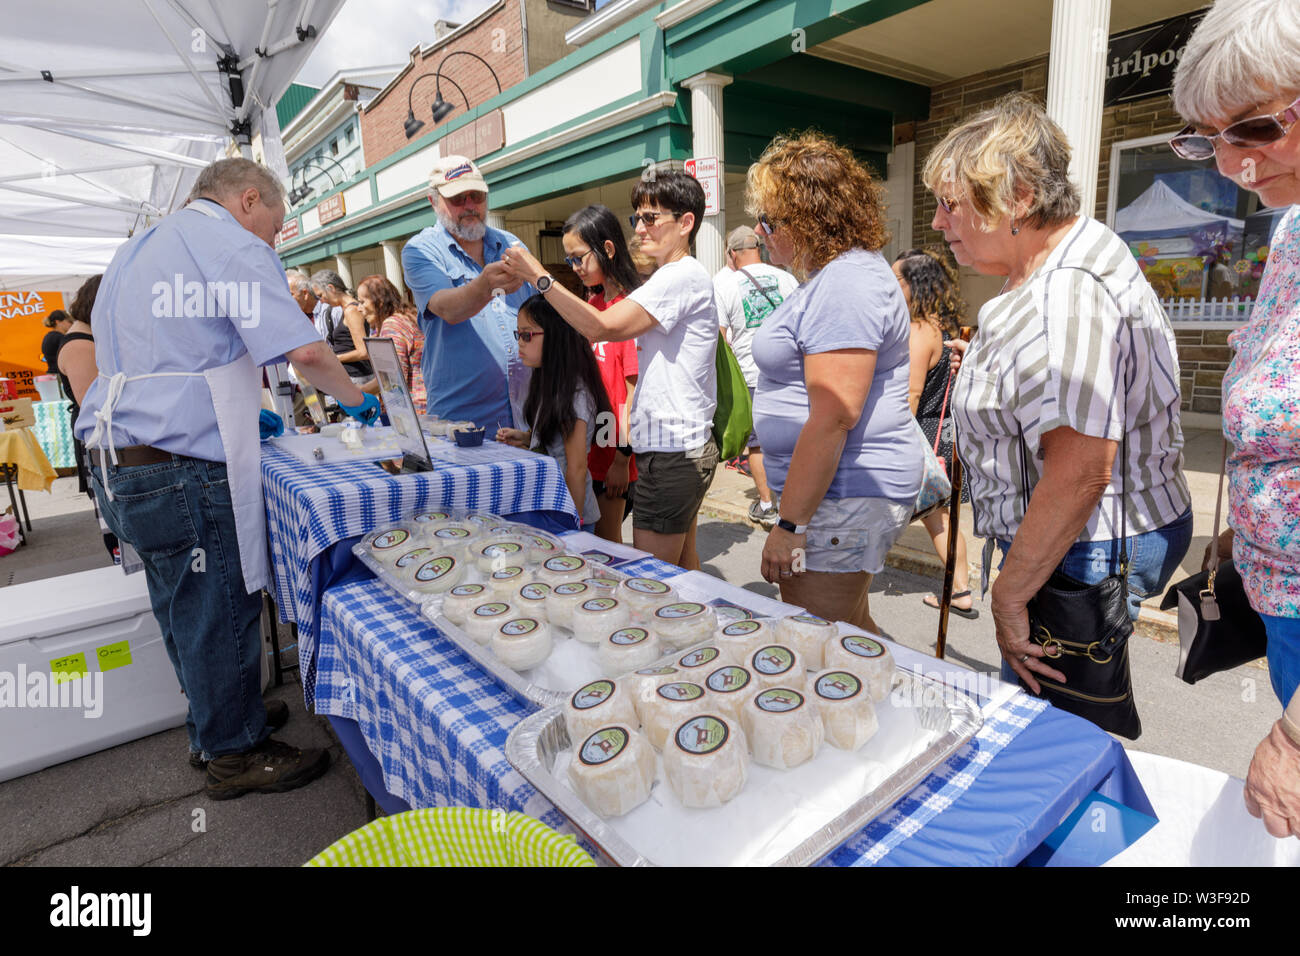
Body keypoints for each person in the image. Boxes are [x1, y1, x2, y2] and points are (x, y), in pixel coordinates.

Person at [75, 158, 382, 800]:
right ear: (248, 201)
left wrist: (244, 411)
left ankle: (216, 721)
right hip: (180, 467)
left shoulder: (138, 250)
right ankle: (234, 753)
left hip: (123, 459)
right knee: (216, 607)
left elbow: (166, 356)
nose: (273, 241)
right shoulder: (227, 241)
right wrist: (354, 399)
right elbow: (304, 350)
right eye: (273, 226)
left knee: (180, 606)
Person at [922, 93, 1192, 696]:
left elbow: (1079, 472)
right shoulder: (1065, 258)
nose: (938, 223)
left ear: (1018, 198)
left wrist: (1010, 592)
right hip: (1087, 533)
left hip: (1081, 543)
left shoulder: (1064, 290)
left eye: (949, 205)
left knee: (1046, 724)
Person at [1172, 0, 1300, 837]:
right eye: (1207, 137)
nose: (1229, 164)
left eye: (1252, 130)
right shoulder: (1292, 228)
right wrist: (1248, 526)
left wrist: (1293, 736)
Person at [745, 132, 921, 631]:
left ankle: (905, 707)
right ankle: (913, 704)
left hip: (842, 495)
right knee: (850, 629)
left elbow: (834, 413)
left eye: (769, 220)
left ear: (806, 218)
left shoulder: (847, 281)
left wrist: (790, 525)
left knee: (818, 639)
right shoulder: (834, 277)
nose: (762, 233)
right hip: (834, 496)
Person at [501, 169, 719, 568]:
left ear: (686, 223)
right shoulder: (668, 278)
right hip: (665, 449)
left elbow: (601, 329)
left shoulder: (678, 277)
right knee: (683, 573)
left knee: (653, 582)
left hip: (669, 451)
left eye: (651, 218)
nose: (639, 228)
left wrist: (539, 275)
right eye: (637, 218)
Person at [401, 155, 534, 430]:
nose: (470, 206)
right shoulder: (420, 250)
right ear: (433, 201)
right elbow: (447, 308)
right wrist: (486, 286)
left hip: (528, 416)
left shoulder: (512, 243)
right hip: (464, 424)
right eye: (458, 198)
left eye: (477, 196)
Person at [893, 247, 976, 619]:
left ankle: (958, 589)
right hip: (947, 432)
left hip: (925, 434)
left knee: (935, 518)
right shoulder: (941, 324)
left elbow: (910, 395)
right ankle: (960, 586)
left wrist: (897, 441)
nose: (891, 285)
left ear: (915, 284)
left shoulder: (917, 331)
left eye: (896, 279)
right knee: (944, 516)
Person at [561, 204, 641, 543]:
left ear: (607, 249)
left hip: (615, 458)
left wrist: (623, 458)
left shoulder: (629, 311)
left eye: (579, 258)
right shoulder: (593, 308)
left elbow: (634, 394)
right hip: (591, 454)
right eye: (570, 261)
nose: (575, 267)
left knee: (611, 548)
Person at [496, 294, 611, 528]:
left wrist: (572, 526)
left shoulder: (574, 394)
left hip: (568, 513)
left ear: (556, 337)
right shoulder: (550, 385)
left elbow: (576, 468)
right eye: (519, 334)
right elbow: (557, 444)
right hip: (551, 507)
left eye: (527, 335)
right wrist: (528, 439)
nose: (520, 342)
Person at [713, 224, 798, 527]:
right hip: (790, 375)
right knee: (793, 441)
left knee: (758, 444)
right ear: (759, 249)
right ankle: (795, 504)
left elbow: (721, 340)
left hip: (751, 375)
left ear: (733, 253)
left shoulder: (725, 285)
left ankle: (767, 504)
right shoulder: (787, 278)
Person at [356, 274, 427, 416]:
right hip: (425, 405)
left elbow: (392, 378)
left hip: (413, 412)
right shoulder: (408, 315)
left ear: (380, 301)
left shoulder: (392, 325)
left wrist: (357, 392)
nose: (358, 308)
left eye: (362, 302)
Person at [311, 269, 371, 383]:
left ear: (331, 288)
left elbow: (363, 352)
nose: (322, 302)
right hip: (352, 375)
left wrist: (333, 358)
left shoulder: (351, 311)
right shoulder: (347, 309)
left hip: (357, 376)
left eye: (321, 296)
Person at [288, 268, 340, 339]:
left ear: (305, 293)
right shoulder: (292, 319)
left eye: (290, 294)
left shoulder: (332, 311)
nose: (287, 299)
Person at [41, 309, 72, 377]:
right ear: (57, 322)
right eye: (69, 321)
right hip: (61, 375)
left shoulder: (48, 336)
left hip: (53, 374)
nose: (71, 324)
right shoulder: (59, 337)